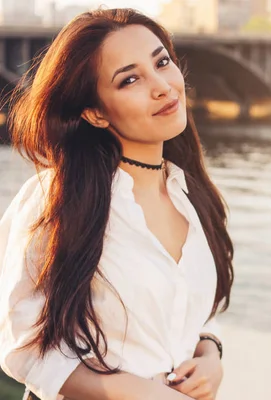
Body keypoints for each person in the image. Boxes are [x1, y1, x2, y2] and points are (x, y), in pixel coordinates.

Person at [0, 8, 234, 400]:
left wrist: (210, 353)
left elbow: (181, 310)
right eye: (130, 80)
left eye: (162, 62)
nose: (162, 86)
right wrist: (136, 392)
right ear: (93, 112)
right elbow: (21, 344)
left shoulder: (190, 194)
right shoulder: (57, 198)